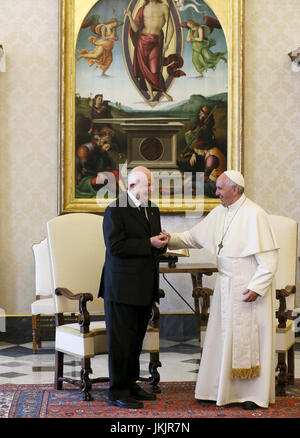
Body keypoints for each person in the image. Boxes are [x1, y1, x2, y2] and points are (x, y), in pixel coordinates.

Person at [165, 170, 279, 409]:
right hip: (226, 283)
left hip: (248, 285)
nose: (216, 193)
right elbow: (193, 238)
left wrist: (257, 287)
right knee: (221, 338)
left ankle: (250, 395)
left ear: (234, 189)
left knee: (248, 341)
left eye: (219, 188)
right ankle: (218, 390)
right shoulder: (220, 212)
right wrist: (169, 239)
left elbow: (269, 259)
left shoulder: (255, 214)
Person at [98, 166, 169, 409]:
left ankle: (130, 385)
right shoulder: (115, 210)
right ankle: (117, 390)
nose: (151, 189)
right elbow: (115, 247)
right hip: (121, 287)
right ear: (131, 187)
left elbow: (153, 244)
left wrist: (162, 244)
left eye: (151, 184)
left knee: (136, 340)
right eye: (147, 185)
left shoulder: (152, 209)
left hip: (144, 286)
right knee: (121, 341)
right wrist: (148, 242)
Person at [124, 0, 174, 102]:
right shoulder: (143, 9)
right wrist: (130, 16)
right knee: (144, 69)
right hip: (142, 41)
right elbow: (136, 29)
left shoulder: (164, 7)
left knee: (154, 69)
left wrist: (167, 43)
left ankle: (163, 93)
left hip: (156, 42)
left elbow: (171, 28)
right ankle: (151, 95)